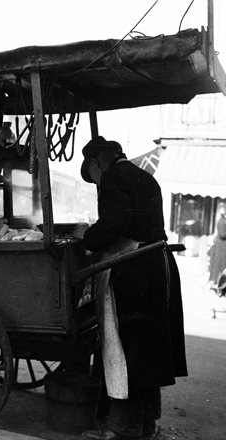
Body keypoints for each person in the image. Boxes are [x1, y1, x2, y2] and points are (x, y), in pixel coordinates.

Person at [73, 136, 187, 440]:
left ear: (97, 163)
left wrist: (87, 237)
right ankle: (146, 422)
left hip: (134, 269)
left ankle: (123, 428)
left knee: (127, 347)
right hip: (157, 264)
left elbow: (115, 222)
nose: (96, 181)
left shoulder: (113, 176)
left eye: (92, 174)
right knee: (149, 349)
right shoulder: (145, 177)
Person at [208, 207, 226, 286]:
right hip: (221, 247)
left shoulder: (222, 221)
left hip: (221, 246)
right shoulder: (222, 222)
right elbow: (222, 234)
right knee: (220, 265)